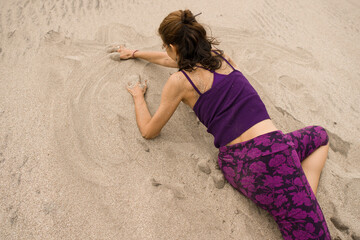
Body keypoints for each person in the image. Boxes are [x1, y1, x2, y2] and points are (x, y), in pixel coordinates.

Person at [108, 9, 331, 240]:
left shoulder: (180, 82)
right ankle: (300, 199)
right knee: (319, 141)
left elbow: (149, 130)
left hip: (239, 163)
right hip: (271, 153)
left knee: (318, 136)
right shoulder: (220, 56)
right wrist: (136, 57)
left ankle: (302, 197)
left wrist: (137, 93)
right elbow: (170, 63)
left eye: (165, 46)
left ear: (173, 48)